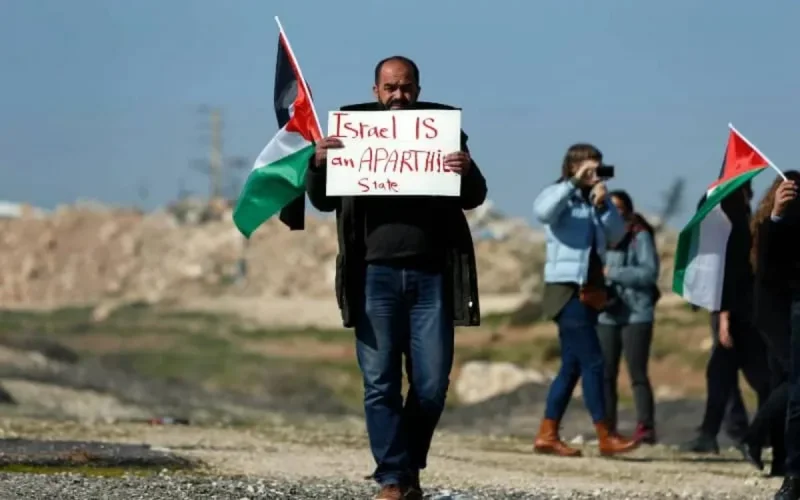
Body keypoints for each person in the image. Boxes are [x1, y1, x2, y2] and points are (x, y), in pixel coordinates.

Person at [305, 56, 487, 500]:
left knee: (430, 386)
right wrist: (319, 163)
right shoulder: (352, 132)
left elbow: (475, 195)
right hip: (374, 279)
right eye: (390, 88)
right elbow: (322, 202)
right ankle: (393, 477)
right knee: (379, 382)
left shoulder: (442, 130)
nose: (398, 96)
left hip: (431, 279)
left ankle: (406, 465)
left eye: (406, 87)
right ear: (375, 90)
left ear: (418, 89)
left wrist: (467, 169)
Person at [531, 143, 639, 457]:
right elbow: (543, 212)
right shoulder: (559, 196)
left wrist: (605, 206)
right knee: (594, 361)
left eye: (599, 168)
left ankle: (547, 433)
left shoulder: (594, 203)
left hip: (591, 290)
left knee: (572, 366)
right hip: (566, 289)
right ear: (573, 167)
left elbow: (616, 237)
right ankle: (605, 434)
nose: (595, 174)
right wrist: (573, 183)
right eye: (590, 168)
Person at [680, 182, 770, 454]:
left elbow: (732, 276)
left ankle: (738, 435)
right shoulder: (745, 221)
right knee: (749, 376)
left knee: (737, 375)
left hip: (736, 313)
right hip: (746, 311)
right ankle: (747, 434)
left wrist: (724, 317)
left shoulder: (736, 229)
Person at [741, 173, 800, 478]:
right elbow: (767, 266)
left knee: (782, 382)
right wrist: (777, 213)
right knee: (793, 380)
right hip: (773, 312)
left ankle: (779, 459)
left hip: (784, 311)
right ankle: (753, 435)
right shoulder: (768, 225)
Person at [596, 190, 659, 444]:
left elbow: (648, 274)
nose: (615, 212)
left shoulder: (640, 236)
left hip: (637, 313)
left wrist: (612, 272)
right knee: (606, 374)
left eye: (620, 208)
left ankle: (646, 427)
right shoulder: (601, 236)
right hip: (608, 314)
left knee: (637, 373)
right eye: (610, 207)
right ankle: (608, 428)